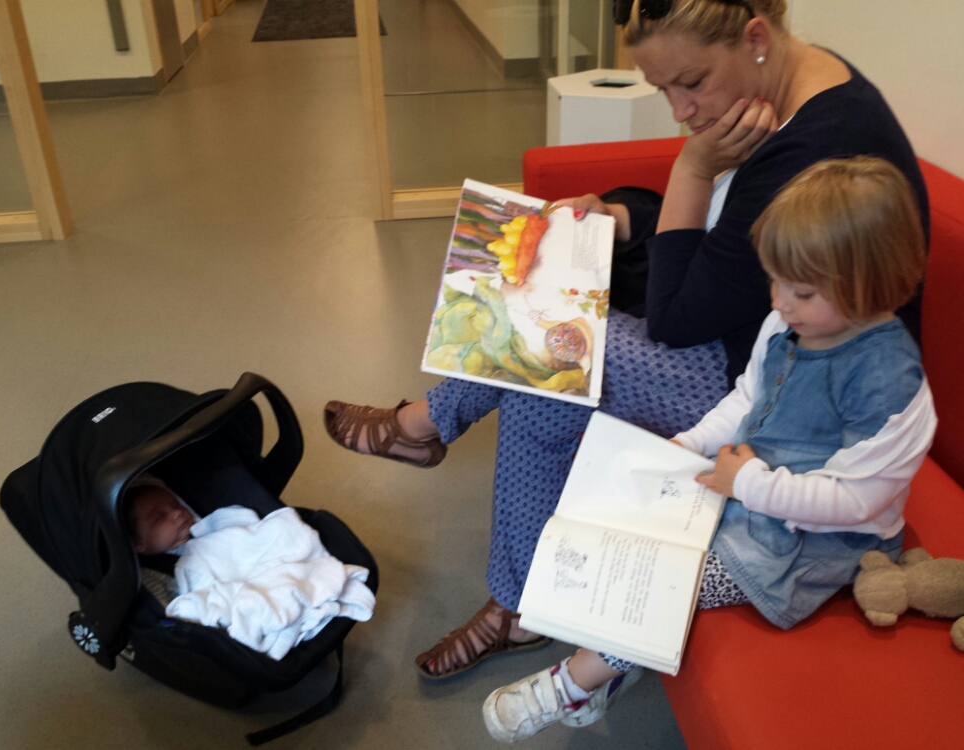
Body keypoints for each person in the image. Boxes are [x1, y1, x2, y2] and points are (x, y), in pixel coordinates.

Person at [323, 0, 930, 679]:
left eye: (691, 82)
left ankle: (431, 438)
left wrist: (692, 170)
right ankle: (504, 580)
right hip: (764, 348)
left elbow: (677, 316)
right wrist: (618, 216)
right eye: (663, 87)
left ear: (756, 37)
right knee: (546, 354)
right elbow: (722, 240)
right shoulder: (789, 90)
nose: (680, 110)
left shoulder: (815, 146)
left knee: (555, 354)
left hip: (790, 389)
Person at [483, 155, 936, 741]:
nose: (779, 302)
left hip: (815, 541)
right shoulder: (791, 322)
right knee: (622, 530)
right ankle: (608, 670)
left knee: (667, 585)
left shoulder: (890, 384)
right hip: (747, 486)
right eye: (774, 281)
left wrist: (748, 484)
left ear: (867, 285)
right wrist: (692, 443)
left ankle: (572, 685)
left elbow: (857, 502)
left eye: (800, 291)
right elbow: (748, 396)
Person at [125, 479, 375, 659]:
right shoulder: (169, 574)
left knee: (287, 528)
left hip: (272, 562)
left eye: (175, 504)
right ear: (139, 546)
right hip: (252, 588)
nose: (176, 514)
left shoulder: (214, 525)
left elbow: (255, 532)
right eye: (159, 518)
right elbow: (204, 604)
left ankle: (303, 582)